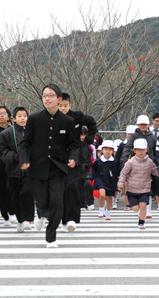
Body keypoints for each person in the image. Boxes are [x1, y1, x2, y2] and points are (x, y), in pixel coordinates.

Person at [19, 84, 79, 248]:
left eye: (51, 95)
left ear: (59, 99)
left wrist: (73, 158)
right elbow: (25, 143)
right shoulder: (34, 119)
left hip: (58, 168)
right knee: (42, 200)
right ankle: (42, 213)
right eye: (44, 95)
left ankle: (51, 237)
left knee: (57, 202)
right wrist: (23, 159)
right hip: (37, 167)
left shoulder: (68, 121)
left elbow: (73, 145)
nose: (47, 98)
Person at [58, 92, 97, 232]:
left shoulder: (78, 116)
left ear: (70, 105)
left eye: (65, 106)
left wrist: (88, 140)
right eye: (60, 105)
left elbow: (92, 122)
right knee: (60, 189)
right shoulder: (52, 118)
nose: (62, 108)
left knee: (72, 187)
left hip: (76, 157)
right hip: (58, 159)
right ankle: (61, 219)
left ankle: (71, 219)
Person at [0, 106, 35, 233]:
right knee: (16, 197)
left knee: (27, 193)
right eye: (19, 116)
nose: (22, 118)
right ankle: (20, 220)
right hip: (13, 170)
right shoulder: (6, 133)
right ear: (13, 119)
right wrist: (14, 156)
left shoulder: (32, 131)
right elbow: (0, 150)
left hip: (29, 171)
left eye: (24, 116)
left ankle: (27, 219)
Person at [121, 115, 157, 218]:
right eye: (141, 124)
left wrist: (156, 164)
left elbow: (156, 152)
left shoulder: (153, 137)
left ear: (148, 125)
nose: (143, 126)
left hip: (149, 165)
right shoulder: (134, 136)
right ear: (137, 125)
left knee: (148, 188)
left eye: (145, 124)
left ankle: (148, 211)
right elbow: (127, 149)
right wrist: (124, 163)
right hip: (136, 166)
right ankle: (139, 208)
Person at [118, 138, 159, 229]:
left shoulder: (149, 162)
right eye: (139, 150)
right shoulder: (131, 162)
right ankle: (139, 213)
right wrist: (120, 184)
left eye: (143, 150)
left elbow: (155, 171)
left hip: (145, 188)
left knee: (143, 205)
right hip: (132, 189)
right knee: (136, 208)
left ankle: (141, 222)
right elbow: (124, 173)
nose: (141, 152)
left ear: (147, 150)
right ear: (134, 150)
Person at [0, 106, 16, 226]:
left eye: (4, 113)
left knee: (11, 190)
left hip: (12, 166)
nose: (1, 115)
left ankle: (12, 213)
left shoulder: (13, 130)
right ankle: (5, 215)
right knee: (0, 192)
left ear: (9, 116)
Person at [87, 140, 120, 220]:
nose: (107, 152)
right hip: (100, 180)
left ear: (113, 151)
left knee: (109, 198)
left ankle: (108, 212)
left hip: (111, 181)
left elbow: (118, 172)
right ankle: (101, 210)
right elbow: (93, 171)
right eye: (105, 149)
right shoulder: (98, 161)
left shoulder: (115, 162)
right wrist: (89, 177)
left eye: (110, 150)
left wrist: (120, 180)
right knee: (102, 194)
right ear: (102, 150)